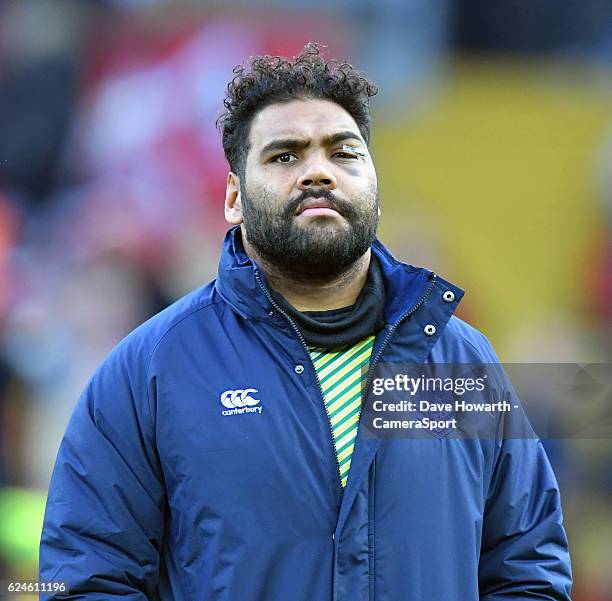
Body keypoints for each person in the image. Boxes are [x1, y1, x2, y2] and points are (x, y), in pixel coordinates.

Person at [39, 43, 572, 600]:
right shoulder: (148, 370)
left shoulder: (463, 361)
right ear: (233, 198)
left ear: (374, 185)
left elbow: (527, 568)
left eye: (344, 153)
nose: (318, 172)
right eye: (284, 156)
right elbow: (86, 579)